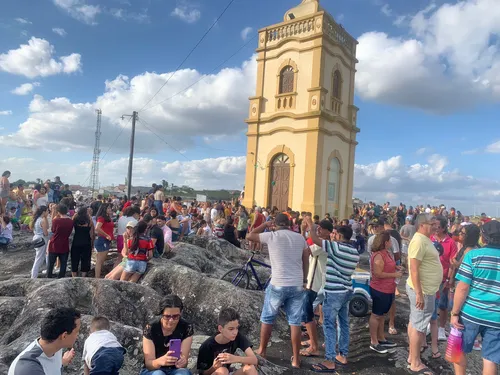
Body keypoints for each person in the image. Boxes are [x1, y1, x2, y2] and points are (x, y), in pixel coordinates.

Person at [247, 213, 309, 369]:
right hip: (296, 284)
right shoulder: (300, 238)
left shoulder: (271, 236)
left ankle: (262, 350)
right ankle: (296, 359)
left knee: (268, 318)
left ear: (276, 223)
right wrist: (305, 279)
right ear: (289, 224)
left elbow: (250, 235)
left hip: (278, 283)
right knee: (294, 322)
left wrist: (265, 225)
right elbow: (306, 259)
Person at [306, 219, 360, 373]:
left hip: (334, 291)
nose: (333, 235)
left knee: (329, 325)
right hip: (346, 290)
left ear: (341, 235)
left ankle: (329, 360)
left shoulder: (335, 247)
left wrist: (312, 226)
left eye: (335, 233)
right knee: (343, 323)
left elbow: (315, 239)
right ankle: (342, 355)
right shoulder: (354, 252)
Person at [451, 220, 500, 375]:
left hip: (470, 313)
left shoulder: (474, 255)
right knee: (490, 358)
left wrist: (454, 313)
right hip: (496, 317)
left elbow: (462, 287)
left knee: (459, 350)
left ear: (483, 238)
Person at [406, 214, 443, 375]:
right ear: (422, 225)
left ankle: (411, 356)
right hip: (423, 291)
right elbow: (414, 269)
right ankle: (415, 362)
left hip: (426, 290)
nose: (435, 226)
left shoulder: (425, 239)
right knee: (419, 327)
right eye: (432, 224)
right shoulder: (419, 241)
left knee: (415, 323)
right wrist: (420, 294)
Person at [8, 307, 80, 375]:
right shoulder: (30, 368)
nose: (78, 335)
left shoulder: (55, 346)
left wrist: (62, 362)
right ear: (64, 336)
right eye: (77, 331)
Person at [300, 219, 333, 358]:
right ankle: (313, 340)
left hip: (314, 284)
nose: (318, 231)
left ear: (327, 231)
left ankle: (314, 346)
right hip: (312, 283)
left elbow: (307, 250)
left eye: (320, 229)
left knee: (306, 314)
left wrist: (310, 228)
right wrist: (305, 230)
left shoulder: (325, 244)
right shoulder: (320, 242)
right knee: (308, 314)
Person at [141, 295, 194, 375]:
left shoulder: (186, 327)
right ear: (161, 314)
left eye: (176, 316)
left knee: (183, 373)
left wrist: (182, 362)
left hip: (175, 369)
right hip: (153, 369)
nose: (171, 320)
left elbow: (184, 362)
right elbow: (149, 364)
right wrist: (160, 361)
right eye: (167, 316)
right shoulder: (151, 328)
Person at [197, 308, 258, 375]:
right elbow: (202, 373)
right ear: (220, 329)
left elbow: (254, 360)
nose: (235, 332)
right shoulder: (207, 346)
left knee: (250, 368)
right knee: (223, 370)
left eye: (237, 328)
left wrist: (235, 358)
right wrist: (214, 367)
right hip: (217, 373)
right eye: (231, 329)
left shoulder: (238, 337)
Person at [368, 231, 402, 353]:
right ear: (385, 242)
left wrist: (395, 267)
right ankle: (374, 341)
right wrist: (395, 274)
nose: (391, 242)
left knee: (381, 314)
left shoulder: (386, 253)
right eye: (390, 240)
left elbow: (386, 267)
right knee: (376, 314)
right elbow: (378, 273)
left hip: (388, 288)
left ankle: (381, 338)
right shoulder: (378, 255)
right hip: (379, 289)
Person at [47, 204, 74, 278]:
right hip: (64, 243)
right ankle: (61, 277)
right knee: (63, 263)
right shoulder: (70, 221)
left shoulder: (56, 221)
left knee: (51, 263)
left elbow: (53, 230)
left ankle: (49, 276)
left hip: (54, 243)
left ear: (58, 212)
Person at [71, 207, 94, 278]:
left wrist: (74, 215)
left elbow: (71, 224)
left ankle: (74, 276)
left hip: (76, 241)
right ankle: (83, 277)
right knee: (85, 260)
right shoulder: (89, 221)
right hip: (86, 242)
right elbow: (92, 234)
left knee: (74, 259)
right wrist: (92, 243)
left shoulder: (75, 220)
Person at [94, 203, 114, 279]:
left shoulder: (107, 217)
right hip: (102, 240)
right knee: (99, 261)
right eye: (108, 208)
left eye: (110, 208)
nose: (110, 209)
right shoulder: (102, 218)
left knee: (101, 261)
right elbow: (97, 228)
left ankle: (98, 277)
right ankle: (97, 278)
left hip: (105, 240)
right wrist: (107, 235)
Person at [30, 206, 49, 278]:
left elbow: (47, 226)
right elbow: (46, 233)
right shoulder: (42, 220)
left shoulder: (36, 219)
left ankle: (45, 271)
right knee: (38, 259)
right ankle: (33, 276)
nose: (48, 213)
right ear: (44, 212)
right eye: (47, 211)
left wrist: (46, 217)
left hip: (36, 238)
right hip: (42, 239)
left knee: (40, 257)